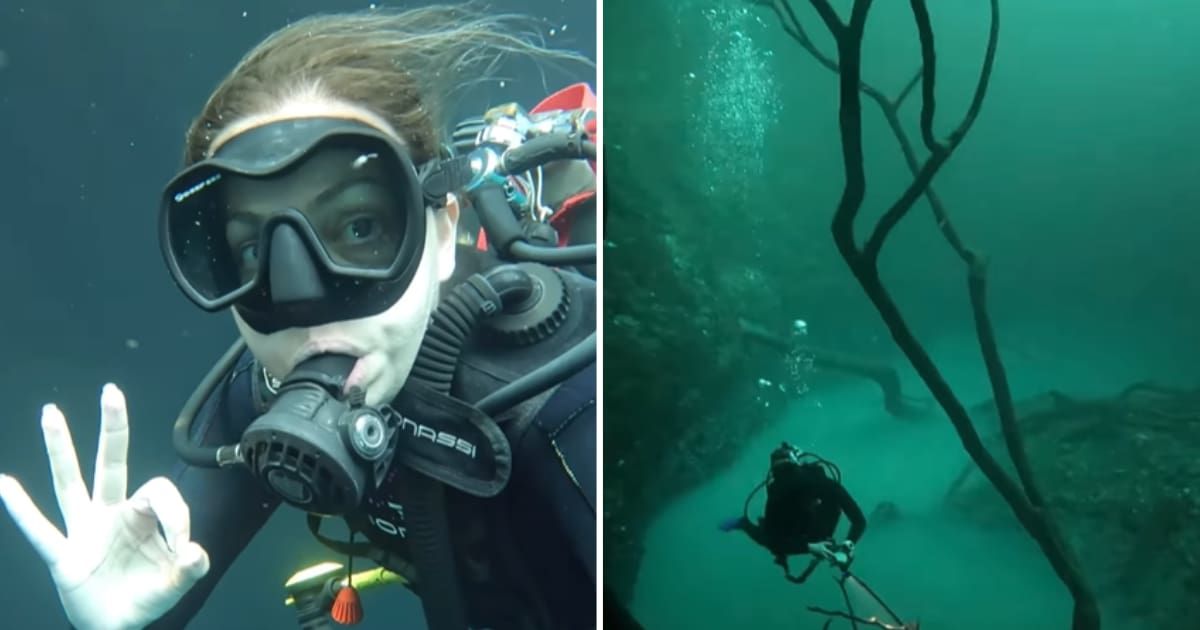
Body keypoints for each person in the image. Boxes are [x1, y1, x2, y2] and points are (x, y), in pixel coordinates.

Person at [0, 6, 596, 630]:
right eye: (255, 251)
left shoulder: (563, 404)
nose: (305, 303)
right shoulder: (265, 390)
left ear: (443, 232)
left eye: (360, 227)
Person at [720, 442, 866, 581]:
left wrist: (848, 545)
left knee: (769, 538)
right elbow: (774, 541)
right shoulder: (780, 495)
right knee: (771, 540)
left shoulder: (819, 484)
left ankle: (743, 523)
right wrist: (809, 547)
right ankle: (742, 523)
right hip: (796, 532)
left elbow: (859, 520)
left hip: (816, 529)